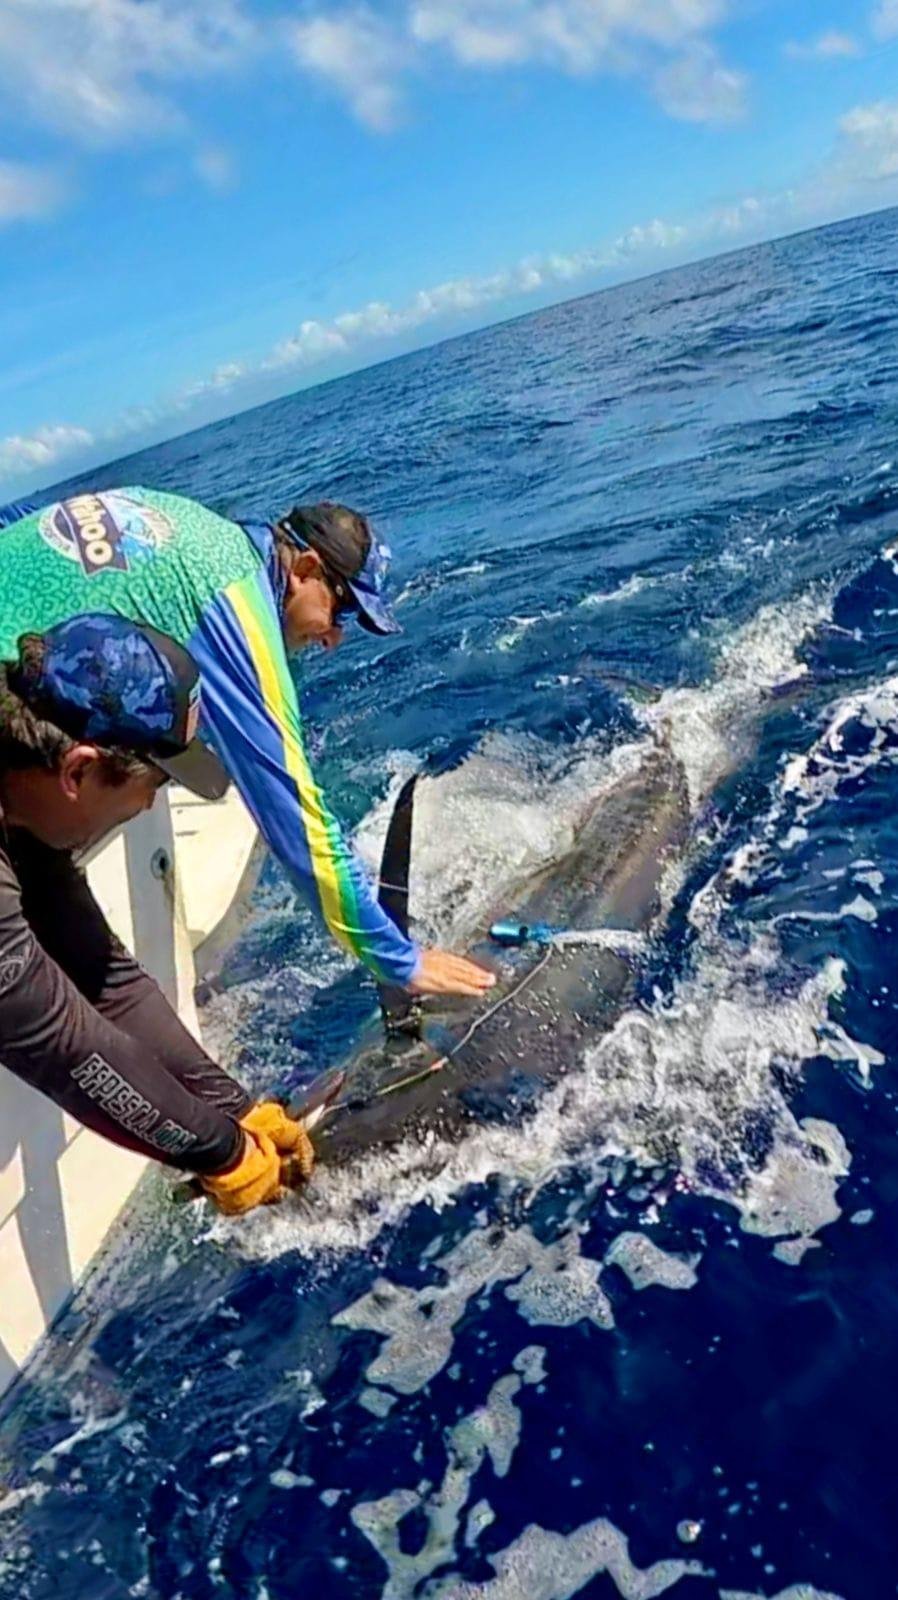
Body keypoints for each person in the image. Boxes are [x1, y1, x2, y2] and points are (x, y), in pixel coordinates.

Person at [0, 488, 492, 1002]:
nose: (335, 639)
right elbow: (293, 814)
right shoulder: (238, 609)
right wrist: (399, 961)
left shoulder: (206, 530)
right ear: (305, 568)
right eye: (341, 610)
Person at [0, 613, 316, 1214]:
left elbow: (107, 981)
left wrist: (238, 1110)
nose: (148, 808)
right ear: (78, 771)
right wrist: (224, 1153)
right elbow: (59, 1041)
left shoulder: (24, 786)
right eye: (152, 786)